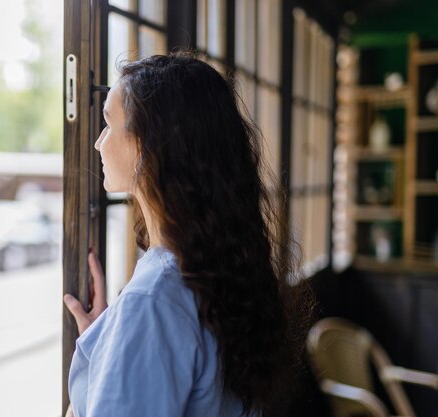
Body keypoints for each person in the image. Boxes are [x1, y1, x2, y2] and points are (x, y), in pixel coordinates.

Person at [63, 53, 311, 417]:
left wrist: (125, 336)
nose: (99, 142)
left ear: (148, 145)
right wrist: (109, 341)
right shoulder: (214, 269)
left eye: (109, 123)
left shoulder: (152, 301)